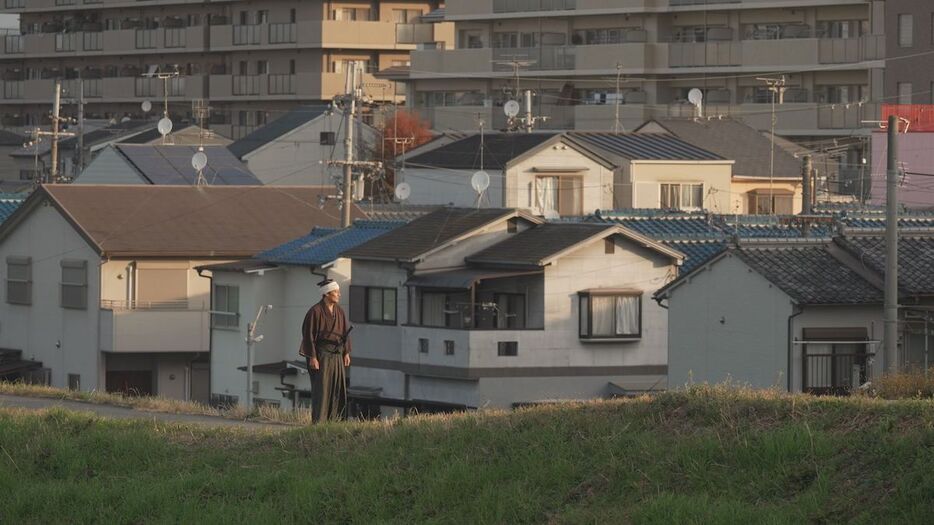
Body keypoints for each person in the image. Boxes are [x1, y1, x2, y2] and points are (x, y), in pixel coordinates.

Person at [300, 279, 352, 423]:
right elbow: (308, 335)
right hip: (321, 355)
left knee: (337, 388)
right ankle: (319, 421)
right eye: (336, 292)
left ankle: (336, 420)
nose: (339, 294)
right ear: (326, 294)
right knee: (322, 389)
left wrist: (346, 352)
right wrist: (312, 357)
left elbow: (345, 332)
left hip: (337, 354)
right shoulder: (314, 312)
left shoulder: (339, 311)